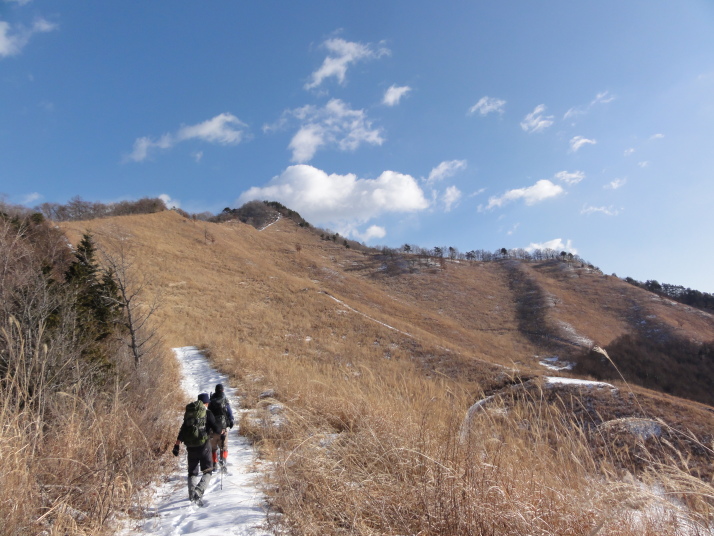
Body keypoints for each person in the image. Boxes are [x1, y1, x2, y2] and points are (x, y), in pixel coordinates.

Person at [172, 392, 224, 505]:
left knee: (192, 472)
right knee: (208, 470)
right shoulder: (208, 413)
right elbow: (216, 429)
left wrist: (176, 445)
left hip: (190, 446)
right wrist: (222, 431)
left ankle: (191, 495)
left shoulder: (190, 414)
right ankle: (199, 491)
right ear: (206, 403)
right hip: (204, 445)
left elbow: (182, 430)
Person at [208, 383, 234, 471]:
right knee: (224, 447)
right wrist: (231, 422)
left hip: (213, 430)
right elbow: (230, 414)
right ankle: (223, 464)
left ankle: (214, 464)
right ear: (223, 390)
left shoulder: (211, 402)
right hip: (223, 430)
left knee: (213, 448)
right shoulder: (225, 401)